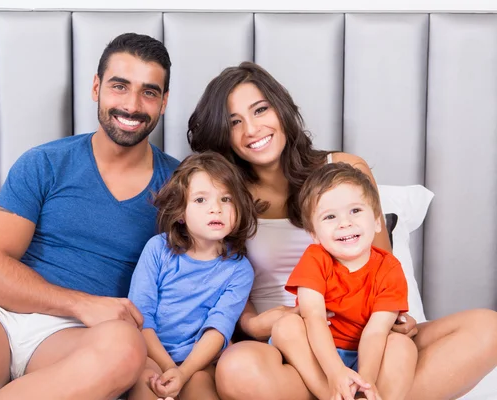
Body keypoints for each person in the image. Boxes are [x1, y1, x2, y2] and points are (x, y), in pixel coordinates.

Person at [187, 61, 497, 400]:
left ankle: (363, 390)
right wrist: (251, 324)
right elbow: (225, 277)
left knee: (488, 328)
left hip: (367, 330)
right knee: (237, 369)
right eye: (234, 122)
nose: (252, 129)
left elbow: (380, 264)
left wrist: (396, 316)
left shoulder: (345, 169)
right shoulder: (224, 195)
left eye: (260, 110)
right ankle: (344, 391)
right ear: (222, 134)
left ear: (281, 108)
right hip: (287, 348)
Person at [0, 33, 179, 400]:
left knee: (125, 349)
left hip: (82, 341)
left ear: (164, 102)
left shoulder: (180, 187)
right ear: (96, 87)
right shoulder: (46, 162)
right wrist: (82, 303)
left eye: (149, 92)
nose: (131, 104)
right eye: (119, 86)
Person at [270, 162, 416, 400]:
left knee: (402, 346)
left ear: (377, 221)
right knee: (285, 326)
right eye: (329, 216)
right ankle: (331, 394)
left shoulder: (389, 268)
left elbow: (376, 331)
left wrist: (366, 380)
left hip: (366, 353)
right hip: (317, 355)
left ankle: (367, 395)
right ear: (314, 234)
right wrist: (336, 372)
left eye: (355, 211)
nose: (345, 223)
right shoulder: (315, 258)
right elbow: (314, 318)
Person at [127, 151, 261, 400]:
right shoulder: (158, 249)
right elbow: (141, 316)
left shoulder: (239, 269)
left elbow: (219, 328)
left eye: (226, 199)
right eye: (201, 200)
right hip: (151, 353)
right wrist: (169, 368)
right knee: (144, 383)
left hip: (199, 363)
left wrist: (184, 372)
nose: (216, 209)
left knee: (201, 389)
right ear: (180, 212)